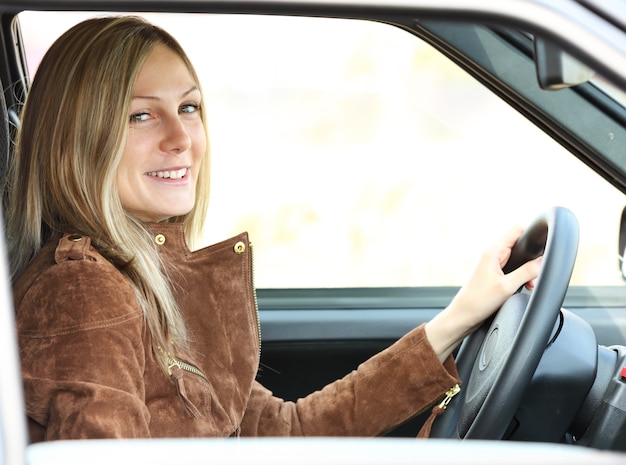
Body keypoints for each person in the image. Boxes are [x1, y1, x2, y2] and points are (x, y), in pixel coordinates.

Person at [4, 16, 541, 441]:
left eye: (188, 108)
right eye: (140, 116)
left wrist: (459, 317)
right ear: (78, 137)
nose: (181, 139)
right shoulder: (84, 292)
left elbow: (289, 431)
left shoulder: (148, 279)